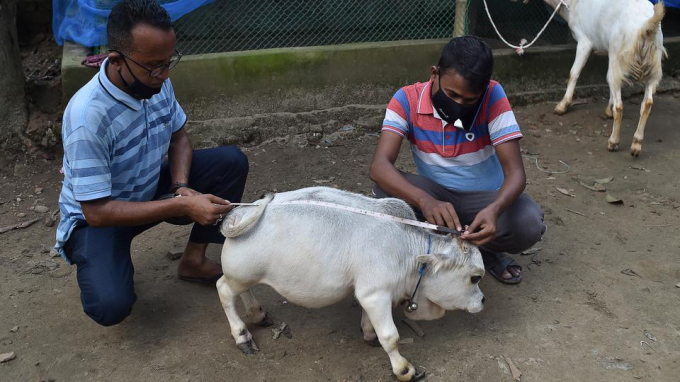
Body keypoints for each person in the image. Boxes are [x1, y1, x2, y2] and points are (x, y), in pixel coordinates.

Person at [54, 0, 249, 326]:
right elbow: (97, 211)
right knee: (110, 305)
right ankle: (103, 262)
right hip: (97, 219)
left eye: (168, 62)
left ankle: (193, 261)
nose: (164, 74)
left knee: (231, 161)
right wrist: (180, 206)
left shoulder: (153, 79)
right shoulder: (87, 116)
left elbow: (179, 137)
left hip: (146, 190)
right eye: (155, 66)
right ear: (115, 60)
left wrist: (182, 187)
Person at [369, 36, 545, 284]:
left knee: (527, 223)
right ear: (434, 74)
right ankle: (441, 246)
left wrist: (493, 210)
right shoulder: (406, 100)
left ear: (483, 90)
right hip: (436, 194)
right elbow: (379, 166)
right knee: (383, 190)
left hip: (484, 198)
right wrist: (425, 200)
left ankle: (485, 250)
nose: (459, 104)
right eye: (452, 93)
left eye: (470, 99)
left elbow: (516, 173)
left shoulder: (493, 95)